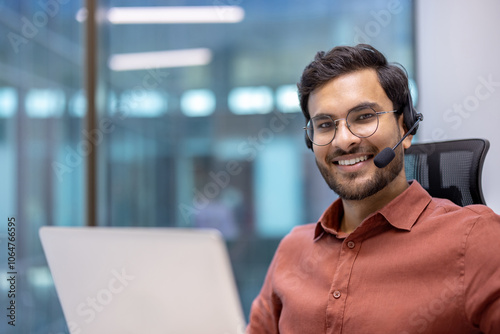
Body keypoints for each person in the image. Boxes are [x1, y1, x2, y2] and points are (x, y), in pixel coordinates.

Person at [246, 44, 500, 333]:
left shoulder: (477, 240)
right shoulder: (293, 250)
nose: (343, 141)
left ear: (405, 129)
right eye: (326, 124)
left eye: (364, 117)